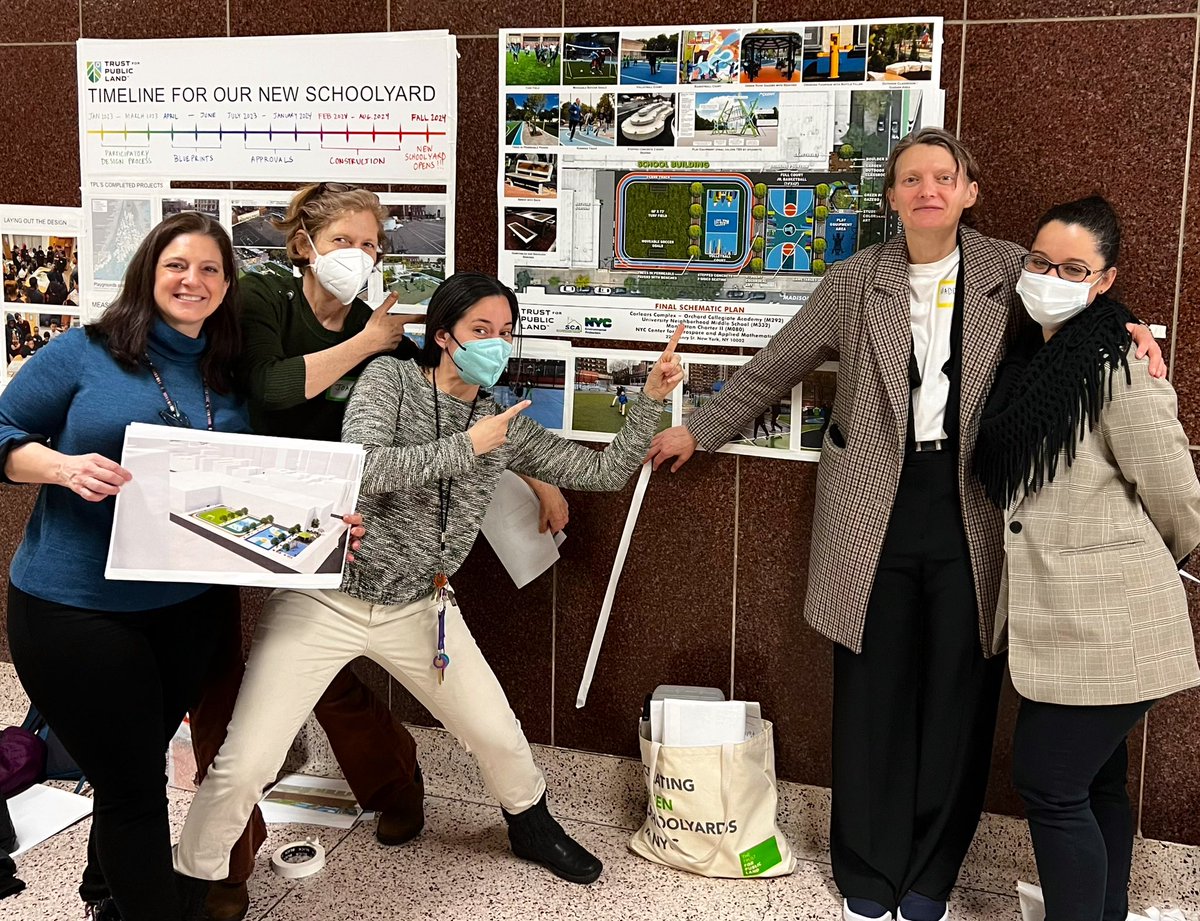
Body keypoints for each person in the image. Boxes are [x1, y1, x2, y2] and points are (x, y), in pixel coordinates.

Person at [645, 128, 1163, 921]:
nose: (928, 189)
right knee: (871, 689)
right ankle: (868, 869)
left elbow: (1079, 316)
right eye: (911, 178)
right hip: (873, 507)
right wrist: (697, 429)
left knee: (960, 692)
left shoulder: (1007, 270)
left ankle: (929, 876)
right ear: (891, 197)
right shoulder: (857, 281)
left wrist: (1138, 353)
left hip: (976, 507)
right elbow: (775, 365)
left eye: (943, 177)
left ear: (969, 191)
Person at [174, 273, 683, 888]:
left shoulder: (501, 418)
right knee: (245, 761)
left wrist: (652, 399)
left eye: (505, 332)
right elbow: (366, 469)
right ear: (444, 337)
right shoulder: (389, 381)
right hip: (328, 597)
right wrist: (467, 447)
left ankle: (531, 824)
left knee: (497, 734)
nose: (496, 342)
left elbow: (599, 472)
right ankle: (193, 880)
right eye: (480, 331)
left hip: (421, 607)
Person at [0, 212, 249, 921]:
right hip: (76, 606)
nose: (192, 280)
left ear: (227, 285)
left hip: (186, 607)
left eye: (209, 269)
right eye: (177, 265)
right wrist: (61, 466)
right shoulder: (85, 352)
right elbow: (1, 431)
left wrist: (321, 525)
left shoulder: (226, 371)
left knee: (122, 770)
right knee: (137, 786)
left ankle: (105, 892)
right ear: (147, 271)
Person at [973, 196, 1200, 921]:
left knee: (1048, 781)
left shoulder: (1119, 365)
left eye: (1074, 268)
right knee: (1096, 786)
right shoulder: (1037, 358)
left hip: (1109, 625)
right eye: (1040, 262)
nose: (1050, 277)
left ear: (1104, 281)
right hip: (1063, 629)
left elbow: (1178, 496)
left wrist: (1115, 565)